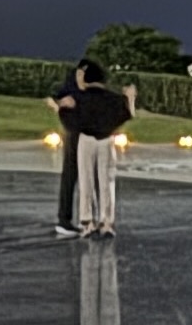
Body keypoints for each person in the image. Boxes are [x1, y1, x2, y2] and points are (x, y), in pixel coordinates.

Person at [51, 59, 135, 236]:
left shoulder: (79, 99)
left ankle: (89, 221)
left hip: (85, 138)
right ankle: (103, 221)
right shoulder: (110, 99)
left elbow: (68, 116)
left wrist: (60, 108)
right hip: (100, 139)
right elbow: (125, 113)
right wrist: (130, 99)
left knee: (87, 179)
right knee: (102, 179)